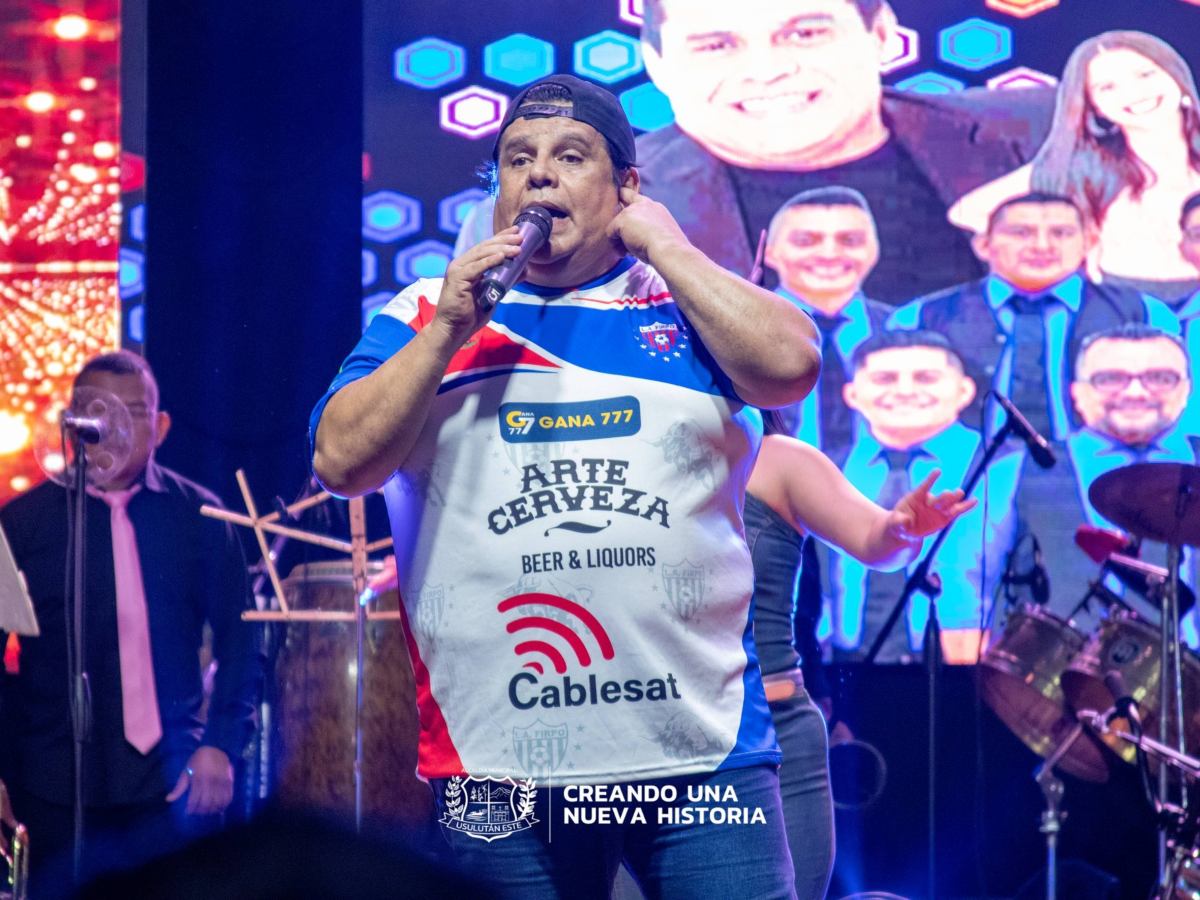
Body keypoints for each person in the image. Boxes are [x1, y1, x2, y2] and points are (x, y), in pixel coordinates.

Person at [311, 74, 821, 899]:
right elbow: (340, 462)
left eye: (569, 156)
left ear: (627, 187)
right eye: (518, 159)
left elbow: (793, 365)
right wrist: (449, 328)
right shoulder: (423, 315)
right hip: (495, 774)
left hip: (702, 761)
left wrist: (671, 249)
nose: (539, 175)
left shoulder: (686, 302)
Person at [0, 351, 260, 895]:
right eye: (97, 411)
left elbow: (244, 641)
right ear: (73, 423)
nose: (113, 427)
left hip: (173, 778)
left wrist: (221, 745)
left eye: (134, 412)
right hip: (51, 783)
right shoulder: (22, 525)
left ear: (160, 426)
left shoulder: (202, 518)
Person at [634, 0, 1053, 303]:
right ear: (657, 64)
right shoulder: (610, 201)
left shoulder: (1055, 128)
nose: (766, 70)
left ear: (883, 35)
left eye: (805, 34)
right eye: (716, 46)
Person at [744, 414, 974, 897]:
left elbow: (875, 538)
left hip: (774, 734)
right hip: (649, 737)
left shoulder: (781, 457)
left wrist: (901, 528)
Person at [949, 31, 1200, 300]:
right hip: (1123, 318)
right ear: (1095, 107)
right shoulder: (1080, 167)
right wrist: (1069, 245)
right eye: (1108, 87)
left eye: (1145, 75)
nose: (1134, 93)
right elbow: (967, 212)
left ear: (1177, 78)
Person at [831, 331, 1017, 662]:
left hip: (969, 673)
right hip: (841, 668)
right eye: (884, 378)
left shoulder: (1010, 465)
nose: (904, 391)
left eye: (926, 378)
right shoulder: (826, 466)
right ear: (852, 394)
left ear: (964, 391)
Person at [1065, 324, 1199, 645]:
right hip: (1058, 668)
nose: (1136, 393)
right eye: (1111, 378)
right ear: (1078, 393)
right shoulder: (1020, 466)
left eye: (1160, 378)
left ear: (1187, 390)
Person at [764, 186, 893, 462]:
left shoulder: (905, 326)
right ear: (771, 253)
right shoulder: (740, 325)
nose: (829, 253)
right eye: (805, 240)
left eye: (850, 240)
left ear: (874, 250)